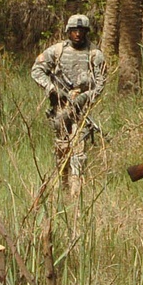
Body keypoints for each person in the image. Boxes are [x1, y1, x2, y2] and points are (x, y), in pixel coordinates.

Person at [31, 13, 107, 198]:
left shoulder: (95, 54)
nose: (78, 34)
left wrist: (84, 97)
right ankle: (60, 187)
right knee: (61, 148)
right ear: (68, 32)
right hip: (60, 109)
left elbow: (100, 83)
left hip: (81, 111)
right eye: (74, 31)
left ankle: (75, 191)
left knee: (78, 151)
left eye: (81, 31)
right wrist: (52, 89)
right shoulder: (57, 51)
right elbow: (37, 70)